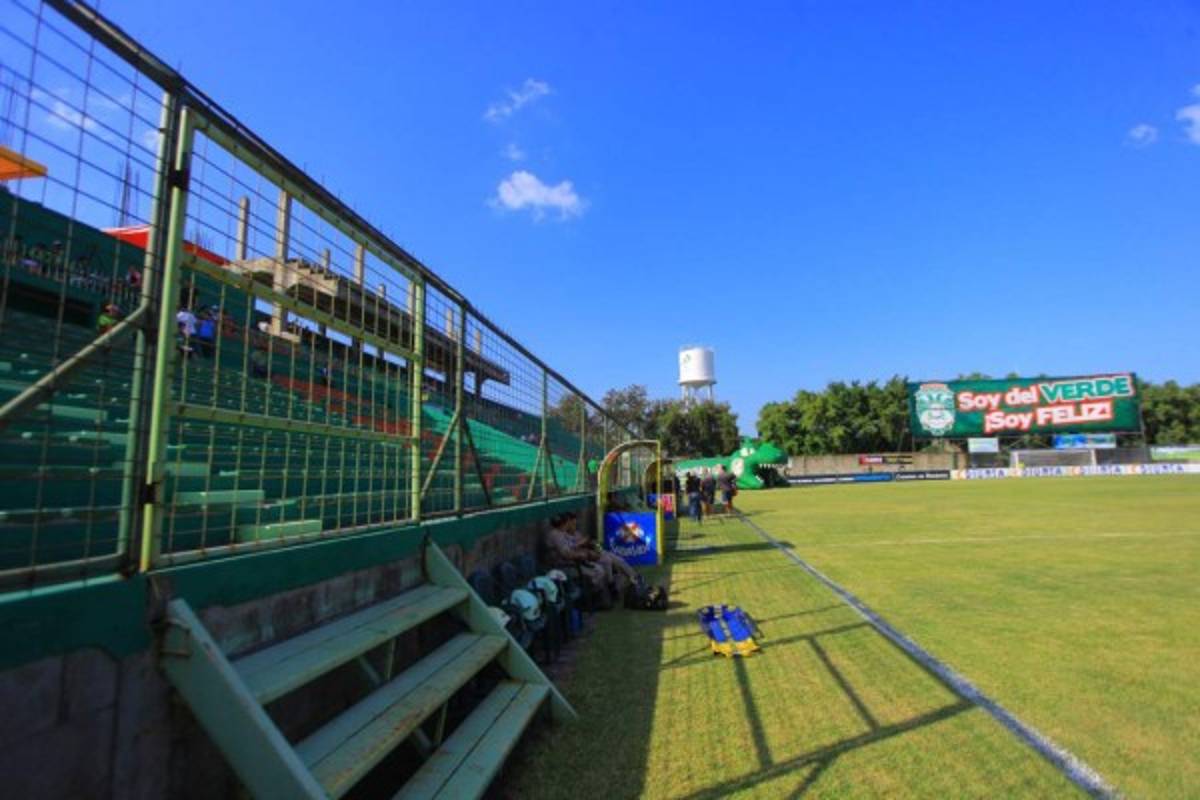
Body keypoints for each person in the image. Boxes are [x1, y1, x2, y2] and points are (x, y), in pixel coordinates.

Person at [545, 512, 638, 603]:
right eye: (570, 523)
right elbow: (568, 553)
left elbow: (594, 545)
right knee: (605, 563)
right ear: (565, 523)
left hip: (589, 556)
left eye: (574, 523)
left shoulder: (573, 533)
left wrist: (593, 546)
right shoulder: (557, 535)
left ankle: (634, 579)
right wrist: (585, 550)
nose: (573, 525)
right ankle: (605, 592)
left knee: (616, 559)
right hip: (570, 565)